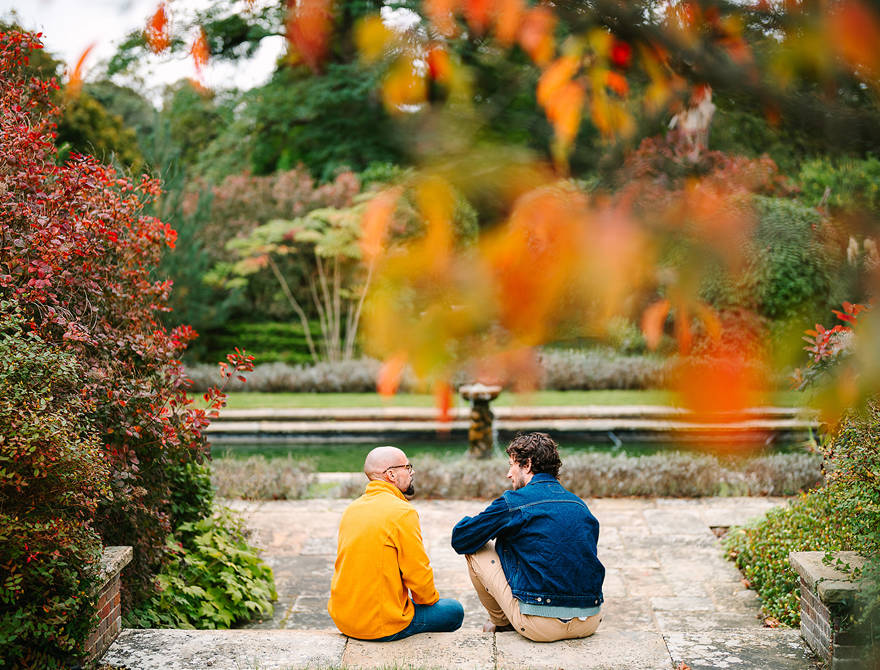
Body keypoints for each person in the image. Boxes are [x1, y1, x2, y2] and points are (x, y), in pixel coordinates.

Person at [451, 432, 604, 642]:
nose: (508, 474)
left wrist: (485, 520)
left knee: (476, 550)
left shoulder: (514, 501)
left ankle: (502, 623)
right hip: (589, 621)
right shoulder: (579, 504)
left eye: (511, 465)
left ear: (528, 464)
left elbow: (461, 539)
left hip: (541, 626)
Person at [328, 446, 464, 641]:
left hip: (344, 618)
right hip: (380, 625)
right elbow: (418, 574)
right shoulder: (402, 512)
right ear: (391, 474)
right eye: (407, 467)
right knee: (453, 610)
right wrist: (429, 602)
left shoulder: (352, 508)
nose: (412, 472)